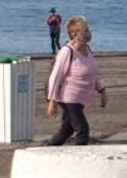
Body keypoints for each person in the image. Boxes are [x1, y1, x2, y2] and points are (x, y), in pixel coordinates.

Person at [45, 15, 106, 146]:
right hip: (68, 97)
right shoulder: (67, 52)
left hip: (80, 97)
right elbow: (56, 77)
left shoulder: (88, 50)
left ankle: (49, 148)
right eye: (85, 30)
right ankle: (82, 158)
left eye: (88, 29)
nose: (88, 33)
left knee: (68, 129)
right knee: (82, 130)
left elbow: (92, 73)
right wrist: (52, 101)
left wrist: (102, 90)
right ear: (74, 34)